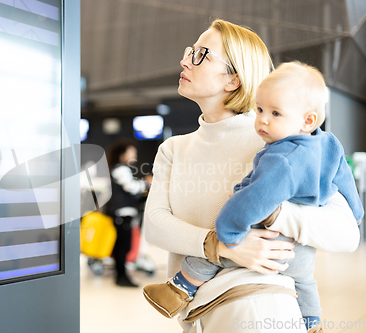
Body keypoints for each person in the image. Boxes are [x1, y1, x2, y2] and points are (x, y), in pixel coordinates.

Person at [143, 19, 360, 333]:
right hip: (198, 316)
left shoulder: (282, 143)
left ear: (233, 79)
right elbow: (154, 225)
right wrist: (218, 246)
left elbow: (346, 233)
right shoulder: (173, 149)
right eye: (190, 51)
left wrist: (274, 214)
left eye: (201, 54)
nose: (185, 60)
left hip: (259, 308)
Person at [106, 139, 151, 287]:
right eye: (132, 153)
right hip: (122, 213)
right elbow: (131, 187)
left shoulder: (120, 169)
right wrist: (146, 183)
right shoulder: (121, 169)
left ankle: (122, 275)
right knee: (123, 246)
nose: (135, 156)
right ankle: (121, 277)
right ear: (123, 154)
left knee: (123, 246)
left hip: (123, 213)